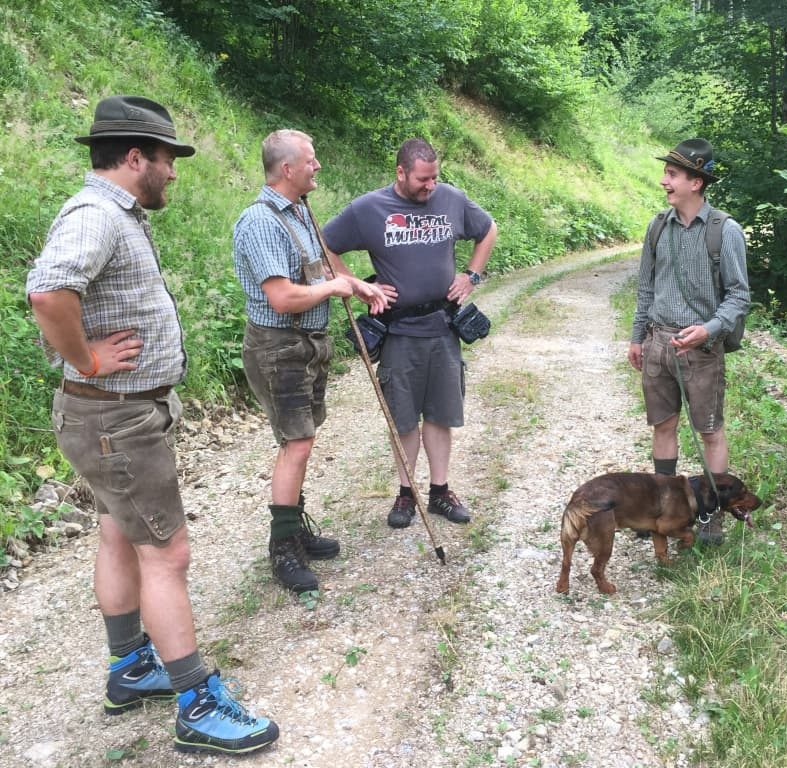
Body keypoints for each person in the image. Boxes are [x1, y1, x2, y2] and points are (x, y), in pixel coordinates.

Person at [25, 95, 278, 755]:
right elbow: (50, 292)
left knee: (118, 533)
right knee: (167, 554)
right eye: (167, 159)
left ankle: (130, 668)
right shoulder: (96, 214)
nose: (172, 172)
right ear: (135, 156)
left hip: (112, 418)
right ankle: (197, 704)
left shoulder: (113, 213)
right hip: (117, 420)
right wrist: (86, 358)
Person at [233, 129, 391, 593]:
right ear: (287, 169)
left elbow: (319, 267)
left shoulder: (300, 212)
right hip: (279, 344)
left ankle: (294, 528)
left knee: (303, 439)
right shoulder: (261, 222)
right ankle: (282, 548)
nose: (318, 165)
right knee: (296, 442)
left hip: (307, 343)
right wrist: (336, 288)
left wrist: (356, 285)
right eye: (311, 159)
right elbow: (281, 297)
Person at [322, 138, 497, 529]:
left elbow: (487, 230)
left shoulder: (451, 198)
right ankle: (406, 495)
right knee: (402, 418)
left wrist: (471, 276)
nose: (430, 186)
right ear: (400, 172)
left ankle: (440, 492)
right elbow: (326, 246)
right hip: (398, 331)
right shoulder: (369, 209)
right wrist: (356, 285)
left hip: (442, 328)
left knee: (441, 414)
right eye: (422, 179)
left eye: (435, 178)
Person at [627, 138, 750, 545]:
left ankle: (710, 516)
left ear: (696, 182)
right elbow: (645, 287)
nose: (665, 181)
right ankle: (660, 510)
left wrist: (709, 329)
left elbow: (738, 296)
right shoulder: (657, 227)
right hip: (658, 344)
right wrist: (636, 337)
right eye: (667, 173)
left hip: (701, 350)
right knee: (663, 427)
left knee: (709, 431)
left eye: (673, 174)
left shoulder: (725, 232)